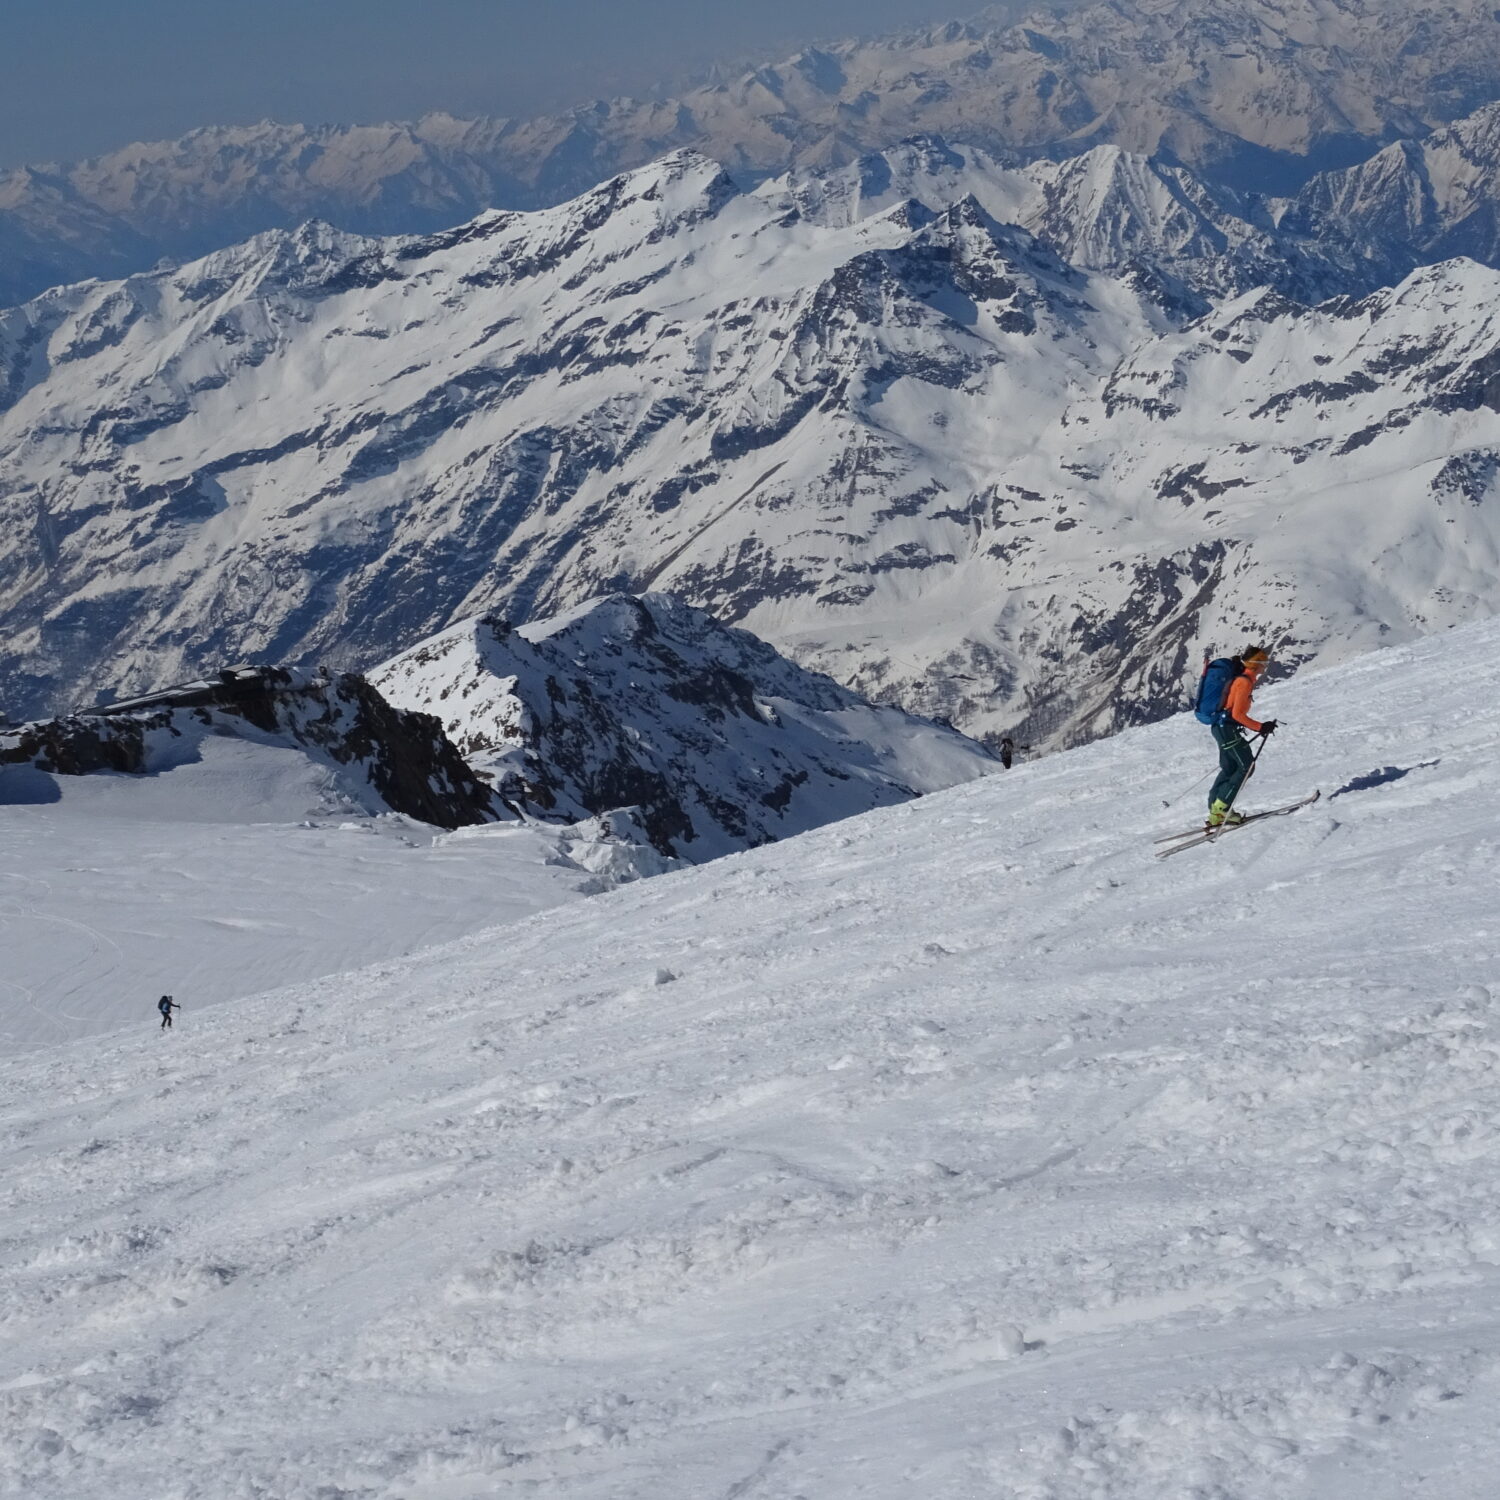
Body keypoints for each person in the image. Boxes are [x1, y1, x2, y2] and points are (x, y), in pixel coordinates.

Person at [1206, 647, 1278, 827]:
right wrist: (1261, 727)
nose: (1265, 668)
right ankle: (1221, 810)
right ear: (1256, 665)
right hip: (1228, 729)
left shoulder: (1242, 680)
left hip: (1221, 728)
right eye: (1263, 664)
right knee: (1246, 766)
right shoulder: (1244, 682)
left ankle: (1215, 808)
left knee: (1229, 767)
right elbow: (1237, 714)